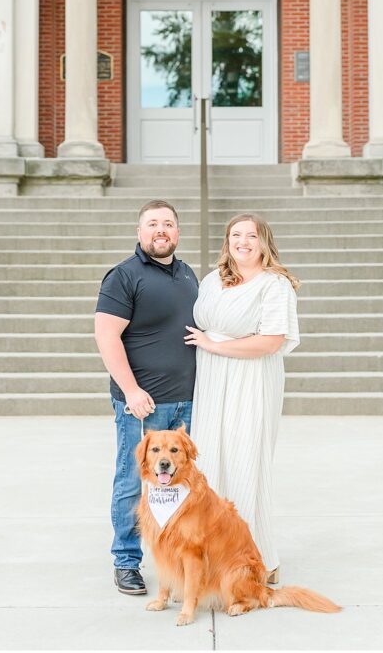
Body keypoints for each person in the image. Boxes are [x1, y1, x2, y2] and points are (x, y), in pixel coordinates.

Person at [184, 213, 300, 584]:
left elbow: (271, 341)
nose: (243, 242)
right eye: (236, 235)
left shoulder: (274, 285)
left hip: (251, 378)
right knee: (212, 462)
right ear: (227, 241)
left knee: (245, 461)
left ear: (264, 242)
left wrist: (212, 344)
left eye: (252, 235)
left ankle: (257, 558)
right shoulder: (211, 280)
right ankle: (215, 556)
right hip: (213, 379)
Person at [94, 200, 200, 595]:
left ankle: (174, 559)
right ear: (140, 232)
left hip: (187, 404)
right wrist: (131, 391)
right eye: (153, 223)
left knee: (179, 484)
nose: (161, 230)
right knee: (132, 481)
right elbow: (107, 337)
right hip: (143, 406)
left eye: (168, 223)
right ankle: (126, 561)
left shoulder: (188, 275)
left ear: (177, 232)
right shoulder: (123, 276)